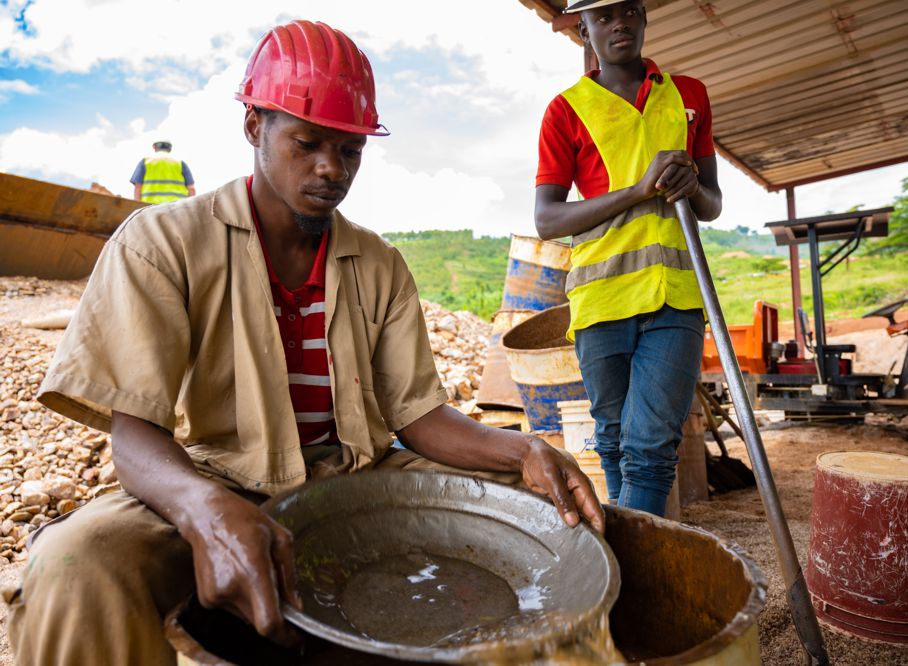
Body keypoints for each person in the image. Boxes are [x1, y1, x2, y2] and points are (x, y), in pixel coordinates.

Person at [5, 20, 602, 666]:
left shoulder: (378, 265)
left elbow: (420, 418)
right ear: (254, 127)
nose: (330, 168)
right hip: (215, 478)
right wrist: (203, 510)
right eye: (308, 142)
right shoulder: (163, 244)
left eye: (349, 151)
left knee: (544, 524)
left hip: (356, 477)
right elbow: (135, 435)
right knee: (77, 563)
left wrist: (521, 451)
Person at [533, 0, 723, 517]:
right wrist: (638, 191)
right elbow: (547, 220)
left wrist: (693, 186)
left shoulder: (688, 96)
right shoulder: (567, 109)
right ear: (583, 29)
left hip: (674, 299)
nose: (618, 24)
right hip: (600, 299)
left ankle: (626, 580)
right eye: (602, 16)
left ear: (642, 16)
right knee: (614, 441)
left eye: (628, 12)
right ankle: (625, 565)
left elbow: (712, 204)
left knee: (649, 450)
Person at [130, 139, 196, 203]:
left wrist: (137, 206)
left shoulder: (146, 161)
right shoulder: (180, 162)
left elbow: (138, 187)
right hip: (177, 208)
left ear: (154, 147)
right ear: (170, 148)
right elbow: (191, 188)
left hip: (150, 208)